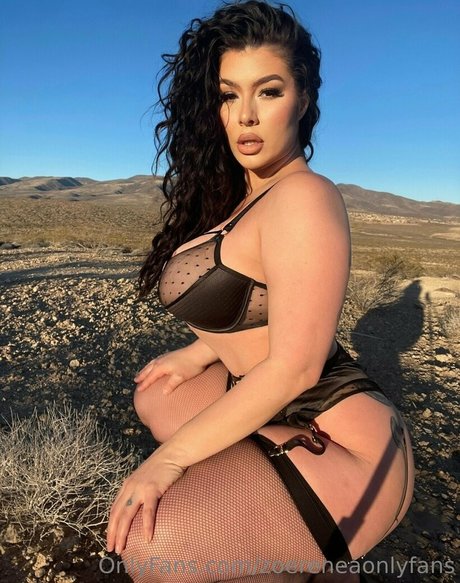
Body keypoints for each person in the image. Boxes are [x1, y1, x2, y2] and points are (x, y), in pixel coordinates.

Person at [106, 1, 415, 581]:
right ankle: (280, 543)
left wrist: (167, 461)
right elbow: (260, 306)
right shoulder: (248, 197)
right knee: (159, 395)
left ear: (303, 99)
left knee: (152, 544)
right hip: (283, 412)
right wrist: (198, 351)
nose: (246, 115)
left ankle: (309, 552)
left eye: (268, 92)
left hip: (346, 447)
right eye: (229, 95)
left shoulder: (304, 197)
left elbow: (296, 367)